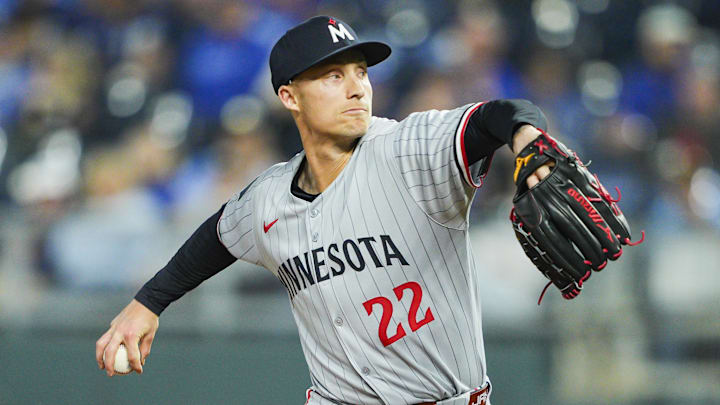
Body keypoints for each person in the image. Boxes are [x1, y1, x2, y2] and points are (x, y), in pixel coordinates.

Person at [96, 16, 554, 405]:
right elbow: (217, 236)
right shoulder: (268, 199)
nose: (357, 88)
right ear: (290, 97)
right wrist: (148, 303)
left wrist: (528, 139)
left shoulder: (409, 149)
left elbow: (500, 113)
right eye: (334, 76)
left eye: (361, 72)